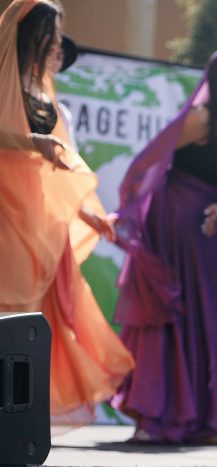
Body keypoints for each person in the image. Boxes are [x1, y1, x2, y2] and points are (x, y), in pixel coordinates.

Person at [112, 45, 217, 444]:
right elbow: (148, 162)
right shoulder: (201, 119)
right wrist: (132, 212)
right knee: (173, 316)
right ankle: (155, 418)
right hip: (173, 223)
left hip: (212, 228)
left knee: (215, 322)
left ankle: (208, 421)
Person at [0, 0, 133, 427]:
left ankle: (16, 419)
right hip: (4, 206)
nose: (58, 44)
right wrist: (30, 144)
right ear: (32, 36)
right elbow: (32, 143)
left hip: (39, 214)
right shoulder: (3, 80)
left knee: (29, 318)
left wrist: (91, 213)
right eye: (52, 35)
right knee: (7, 307)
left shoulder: (42, 89)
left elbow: (65, 158)